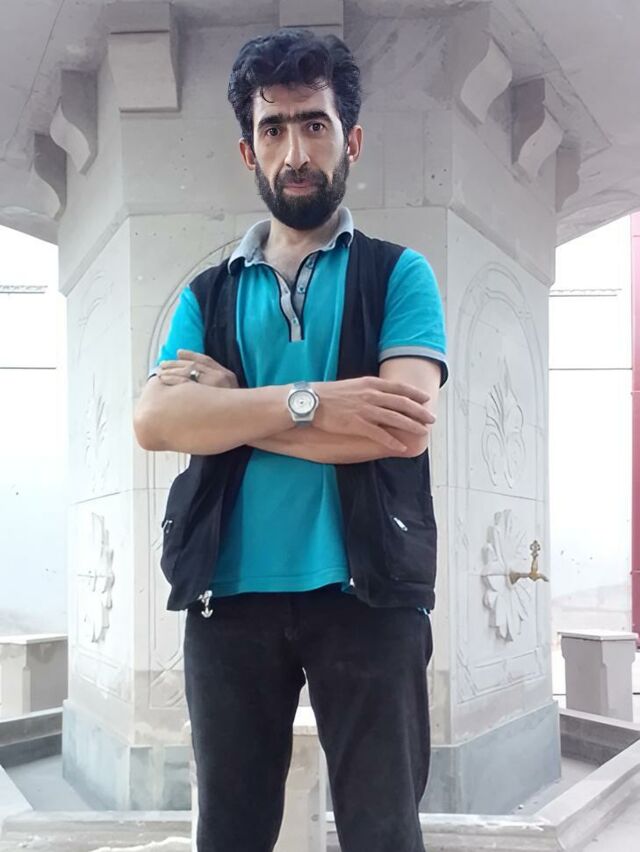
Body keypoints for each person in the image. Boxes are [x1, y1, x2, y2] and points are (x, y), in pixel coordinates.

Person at [134, 27, 447, 852]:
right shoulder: (207, 294)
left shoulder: (399, 274)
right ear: (249, 150)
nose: (296, 151)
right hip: (227, 597)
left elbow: (401, 427)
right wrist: (319, 404)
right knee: (230, 836)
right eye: (273, 129)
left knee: (385, 834)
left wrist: (234, 414)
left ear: (352, 140)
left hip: (370, 596)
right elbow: (156, 421)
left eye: (315, 124)